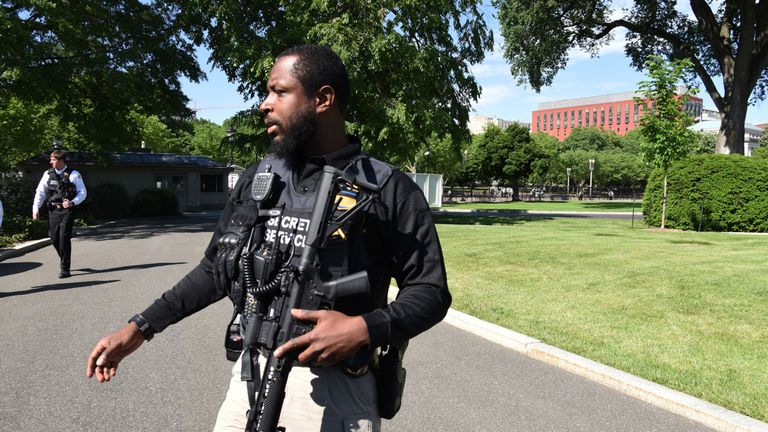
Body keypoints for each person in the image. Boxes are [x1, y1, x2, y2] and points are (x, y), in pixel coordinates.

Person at [86, 45, 451, 432]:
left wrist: (362, 329)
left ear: (322, 99)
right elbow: (216, 268)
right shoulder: (260, 179)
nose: (264, 104)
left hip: (333, 394)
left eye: (279, 91)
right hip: (249, 381)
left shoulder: (388, 189)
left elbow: (430, 292)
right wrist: (140, 327)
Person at [32, 150, 87, 278]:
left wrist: (73, 202)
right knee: (54, 238)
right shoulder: (48, 174)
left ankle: (65, 268)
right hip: (53, 210)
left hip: (67, 210)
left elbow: (82, 192)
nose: (50, 162)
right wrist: (35, 209)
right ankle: (64, 258)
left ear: (61, 160)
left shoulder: (74, 174)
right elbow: (40, 192)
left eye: (53, 160)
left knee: (64, 238)